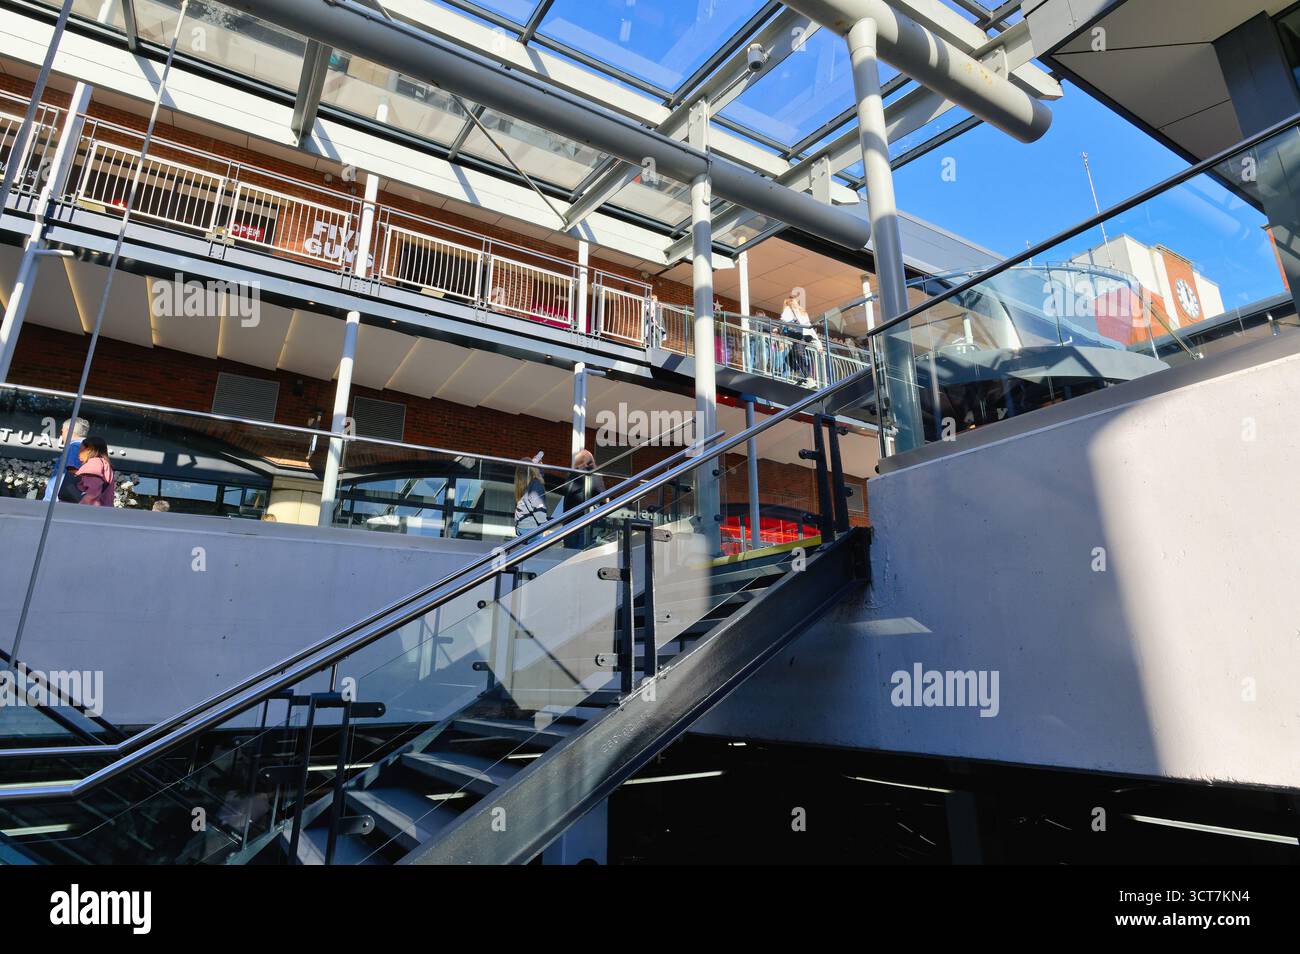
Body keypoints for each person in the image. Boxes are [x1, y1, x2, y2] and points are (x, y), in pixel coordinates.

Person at [562, 449, 607, 547]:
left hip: (568, 523)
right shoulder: (593, 474)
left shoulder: (571, 475)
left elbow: (565, 493)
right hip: (585, 522)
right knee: (581, 555)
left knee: (568, 555)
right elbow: (603, 495)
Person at [45, 416, 89, 502]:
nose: (61, 435)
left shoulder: (75, 447)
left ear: (69, 431)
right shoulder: (86, 448)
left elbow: (72, 477)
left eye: (62, 431)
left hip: (56, 503)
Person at [513, 451, 548, 535]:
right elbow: (538, 507)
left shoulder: (522, 484)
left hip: (521, 527)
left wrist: (537, 466)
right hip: (532, 529)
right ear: (533, 469)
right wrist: (545, 526)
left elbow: (533, 475)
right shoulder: (535, 484)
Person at [74, 436, 115, 507]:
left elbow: (93, 491)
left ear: (89, 450)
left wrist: (79, 508)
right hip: (101, 511)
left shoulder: (94, 463)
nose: (78, 453)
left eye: (81, 449)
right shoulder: (103, 463)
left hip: (88, 511)